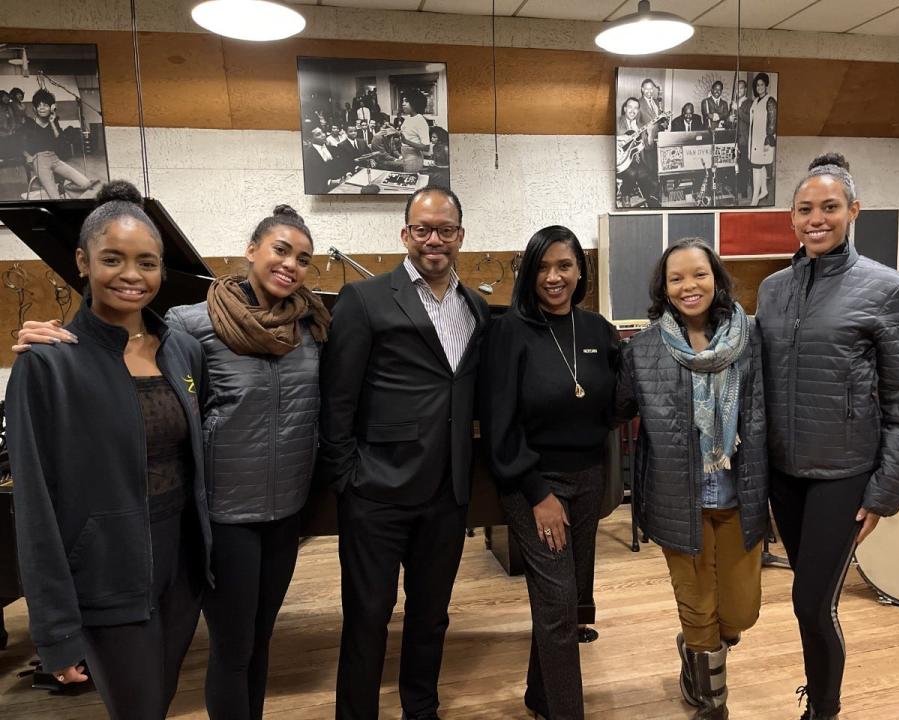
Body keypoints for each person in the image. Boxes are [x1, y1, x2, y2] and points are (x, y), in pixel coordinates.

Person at [16, 204, 332, 720]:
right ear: (250, 250)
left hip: (242, 528)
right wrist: (46, 334)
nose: (290, 264)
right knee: (210, 662)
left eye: (303, 257)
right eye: (279, 249)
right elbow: (39, 505)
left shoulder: (301, 329)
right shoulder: (188, 329)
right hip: (196, 529)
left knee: (244, 649)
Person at [7, 180, 212, 720]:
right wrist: (54, 631)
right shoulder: (46, 365)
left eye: (147, 263)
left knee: (160, 700)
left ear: (162, 270)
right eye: (112, 259)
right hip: (106, 573)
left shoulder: (183, 350)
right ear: (81, 260)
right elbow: (34, 508)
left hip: (182, 566)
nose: (131, 275)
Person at [755, 153, 899, 720]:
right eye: (805, 209)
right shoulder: (773, 290)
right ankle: (816, 691)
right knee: (809, 602)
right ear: (792, 217)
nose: (816, 219)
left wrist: (884, 492)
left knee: (811, 600)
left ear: (853, 211)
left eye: (830, 207)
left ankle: (823, 709)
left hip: (843, 476)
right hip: (785, 473)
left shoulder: (887, 288)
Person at [319, 185, 490, 720]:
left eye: (444, 229)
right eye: (422, 229)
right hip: (377, 491)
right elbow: (337, 397)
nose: (433, 239)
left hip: (447, 492)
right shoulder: (365, 299)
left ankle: (422, 709)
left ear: (460, 235)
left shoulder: (476, 308)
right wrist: (347, 476)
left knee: (431, 616)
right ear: (405, 235)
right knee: (368, 615)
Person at [616, 238, 768, 720]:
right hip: (676, 499)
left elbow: (767, 416)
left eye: (699, 274)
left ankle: (697, 651)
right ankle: (710, 701)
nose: (689, 286)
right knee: (698, 608)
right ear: (664, 287)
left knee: (739, 614)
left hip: (739, 494)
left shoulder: (751, 338)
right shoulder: (643, 349)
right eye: (676, 278)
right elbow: (615, 409)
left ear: (716, 278)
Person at [479, 226, 621, 720]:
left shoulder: (598, 329)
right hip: (535, 484)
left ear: (581, 269)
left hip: (588, 481)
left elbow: (618, 402)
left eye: (564, 265)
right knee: (560, 609)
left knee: (568, 601)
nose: (553, 276)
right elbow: (500, 426)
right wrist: (538, 493)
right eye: (542, 267)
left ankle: (540, 697)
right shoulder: (510, 332)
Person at [21, 88, 100, 200]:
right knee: (55, 198)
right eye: (39, 105)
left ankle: (63, 189)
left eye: (45, 105)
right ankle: (58, 196)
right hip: (39, 160)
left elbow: (60, 143)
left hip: (55, 158)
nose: (42, 108)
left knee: (86, 184)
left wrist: (52, 123)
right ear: (35, 108)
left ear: (51, 107)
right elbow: (21, 145)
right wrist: (29, 157)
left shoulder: (54, 122)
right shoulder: (29, 123)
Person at [747, 73, 777, 206]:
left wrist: (768, 138)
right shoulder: (756, 101)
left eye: (762, 85)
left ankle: (754, 198)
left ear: (766, 85)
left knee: (756, 167)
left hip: (764, 140)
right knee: (761, 165)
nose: (759, 87)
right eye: (757, 85)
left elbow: (773, 121)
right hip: (755, 139)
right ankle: (764, 190)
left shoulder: (770, 100)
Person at [399, 91, 431, 173]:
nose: (403, 104)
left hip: (414, 158)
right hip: (405, 156)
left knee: (411, 182)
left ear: (414, 103)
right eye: (402, 101)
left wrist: (406, 141)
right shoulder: (408, 118)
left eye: (406, 101)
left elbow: (426, 147)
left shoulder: (420, 120)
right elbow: (408, 134)